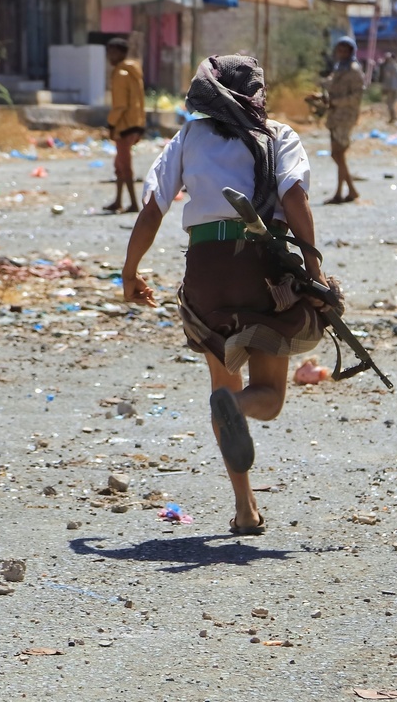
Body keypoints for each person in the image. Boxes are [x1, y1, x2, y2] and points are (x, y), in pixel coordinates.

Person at [120, 54, 329, 536]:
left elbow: (152, 209)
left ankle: (244, 507)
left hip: (206, 272)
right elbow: (294, 198)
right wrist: (314, 273)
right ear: (258, 93)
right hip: (263, 269)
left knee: (223, 381)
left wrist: (129, 273)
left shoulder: (189, 136)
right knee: (270, 399)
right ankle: (236, 411)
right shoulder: (279, 135)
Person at [321, 36, 364, 204]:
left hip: (345, 116)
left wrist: (335, 102)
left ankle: (347, 191)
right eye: (339, 49)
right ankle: (346, 191)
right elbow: (331, 88)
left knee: (338, 153)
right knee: (338, 154)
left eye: (345, 50)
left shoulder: (353, 71)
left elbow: (356, 97)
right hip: (334, 116)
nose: (341, 53)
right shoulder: (339, 68)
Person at [104, 37, 145, 213]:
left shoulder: (121, 74)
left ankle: (134, 204)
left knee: (125, 167)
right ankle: (118, 201)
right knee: (120, 165)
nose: (109, 57)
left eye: (112, 52)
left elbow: (120, 105)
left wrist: (111, 124)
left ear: (121, 53)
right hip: (136, 123)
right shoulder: (134, 72)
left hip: (124, 125)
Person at [379, 52, 397, 124]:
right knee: (391, 103)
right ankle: (393, 117)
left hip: (391, 88)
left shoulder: (390, 66)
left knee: (390, 104)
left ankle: (393, 118)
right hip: (393, 87)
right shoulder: (395, 66)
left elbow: (388, 78)